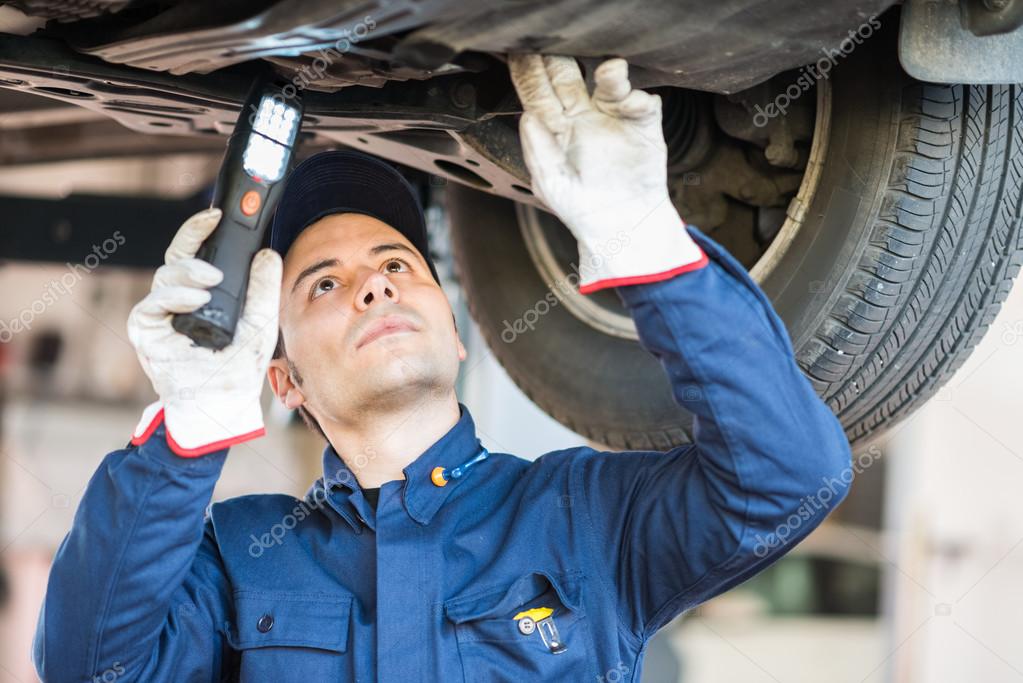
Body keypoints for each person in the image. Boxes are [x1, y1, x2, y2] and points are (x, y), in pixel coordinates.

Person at [32, 54, 852, 682]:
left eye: (396, 263)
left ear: (455, 333)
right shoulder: (241, 555)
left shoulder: (585, 519)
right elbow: (87, 661)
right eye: (326, 283)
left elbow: (790, 477)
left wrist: (644, 241)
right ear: (282, 380)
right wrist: (189, 427)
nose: (374, 282)